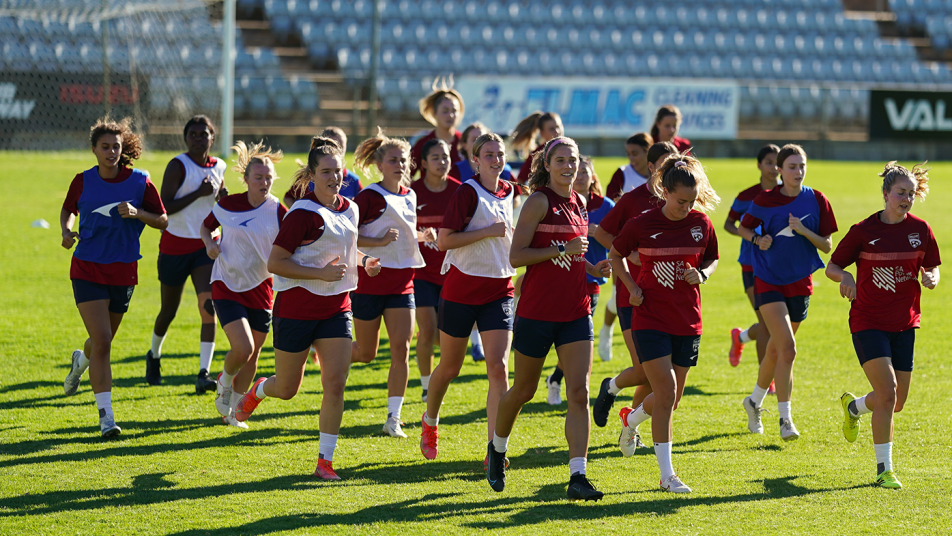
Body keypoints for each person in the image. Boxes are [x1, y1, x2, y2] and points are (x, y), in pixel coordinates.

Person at [233, 137, 382, 480]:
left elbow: (346, 249)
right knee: (287, 389)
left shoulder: (352, 208)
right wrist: (320, 273)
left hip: (337, 309)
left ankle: (324, 462)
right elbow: (276, 262)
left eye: (337, 171)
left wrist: (365, 260)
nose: (334, 177)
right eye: (326, 172)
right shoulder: (302, 213)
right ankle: (258, 390)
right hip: (296, 310)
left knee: (335, 382)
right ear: (312, 176)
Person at [486, 136, 612, 501]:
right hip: (537, 313)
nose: (568, 166)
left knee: (579, 391)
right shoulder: (538, 202)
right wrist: (562, 248)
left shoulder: (580, 202)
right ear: (547, 163)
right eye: (560, 160)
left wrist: (591, 265)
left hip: (576, 310)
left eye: (572, 160)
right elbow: (517, 257)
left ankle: (578, 476)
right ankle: (497, 449)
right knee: (523, 390)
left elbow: (572, 255)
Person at [609, 152, 720, 493]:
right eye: (680, 201)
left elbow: (714, 258)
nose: (686, 208)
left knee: (672, 399)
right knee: (666, 390)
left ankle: (631, 419)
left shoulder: (702, 224)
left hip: (687, 320)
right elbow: (614, 254)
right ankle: (666, 475)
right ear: (664, 191)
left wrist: (702, 273)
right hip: (650, 318)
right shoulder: (642, 223)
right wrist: (631, 287)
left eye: (691, 202)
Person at [825, 162, 940, 489]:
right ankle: (883, 470)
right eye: (900, 193)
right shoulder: (864, 230)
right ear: (886, 193)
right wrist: (846, 276)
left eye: (911, 194)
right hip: (868, 321)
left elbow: (932, 267)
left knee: (896, 402)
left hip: (905, 323)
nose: (906, 199)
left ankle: (854, 406)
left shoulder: (922, 230)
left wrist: (932, 276)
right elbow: (832, 266)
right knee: (888, 393)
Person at [62, 117, 168, 437]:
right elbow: (69, 209)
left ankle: (80, 361)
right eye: (104, 147)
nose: (110, 152)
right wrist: (66, 231)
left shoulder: (140, 181)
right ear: (94, 149)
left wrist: (138, 214)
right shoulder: (82, 180)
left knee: (100, 341)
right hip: (87, 268)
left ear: (123, 150)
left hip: (123, 271)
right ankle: (106, 417)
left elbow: (162, 220)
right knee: (105, 340)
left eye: (116, 147)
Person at [419, 133, 516, 465]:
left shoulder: (512, 190)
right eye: (488, 154)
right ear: (475, 160)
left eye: (499, 154)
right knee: (449, 367)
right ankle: (430, 421)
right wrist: (487, 231)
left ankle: (495, 448)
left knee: (499, 368)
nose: (495, 159)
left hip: (500, 290)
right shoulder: (467, 191)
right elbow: (445, 241)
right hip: (462, 291)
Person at [737, 144, 837, 441]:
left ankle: (753, 402)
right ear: (779, 171)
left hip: (800, 282)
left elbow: (827, 245)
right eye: (792, 167)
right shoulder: (765, 200)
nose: (798, 172)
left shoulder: (817, 199)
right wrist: (758, 240)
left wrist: (805, 231)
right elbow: (744, 228)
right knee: (788, 349)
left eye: (802, 166)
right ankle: (785, 419)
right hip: (767, 279)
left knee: (775, 349)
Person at [590, 142, 677, 443]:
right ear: (651, 168)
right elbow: (602, 233)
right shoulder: (632, 199)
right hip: (634, 294)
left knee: (660, 379)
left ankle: (632, 424)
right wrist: (628, 254)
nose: (672, 170)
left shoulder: (682, 199)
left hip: (671, 299)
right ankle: (611, 388)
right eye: (665, 165)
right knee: (644, 370)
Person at [202, 141, 287, 428]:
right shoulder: (227, 205)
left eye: (268, 177)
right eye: (258, 177)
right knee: (243, 348)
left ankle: (232, 412)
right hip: (226, 282)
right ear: (247, 179)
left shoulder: (279, 211)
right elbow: (207, 226)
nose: (264, 182)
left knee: (253, 357)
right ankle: (224, 381)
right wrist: (209, 245)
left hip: (261, 288)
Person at [350, 129, 427, 438]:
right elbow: (346, 233)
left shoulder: (411, 196)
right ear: (380, 164)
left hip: (402, 284)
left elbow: (405, 238)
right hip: (369, 285)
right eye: (393, 160)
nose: (400, 164)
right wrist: (377, 241)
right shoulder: (369, 196)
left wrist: (424, 237)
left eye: (404, 160)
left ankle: (393, 418)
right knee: (367, 353)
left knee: (401, 349)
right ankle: (330, 351)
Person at [146, 115, 227, 393]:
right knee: (168, 311)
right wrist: (199, 193)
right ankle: (154, 355)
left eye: (203, 134)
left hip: (205, 246)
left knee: (208, 307)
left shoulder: (220, 166)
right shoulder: (178, 165)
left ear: (212, 138)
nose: (197, 138)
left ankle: (204, 372)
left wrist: (221, 198)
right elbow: (164, 206)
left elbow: (219, 202)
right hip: (174, 245)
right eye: (192, 134)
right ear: (185, 138)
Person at [544, 155, 614, 406]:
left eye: (586, 172)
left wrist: (600, 234)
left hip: (590, 281)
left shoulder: (606, 205)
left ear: (593, 176)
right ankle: (557, 379)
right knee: (560, 336)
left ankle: (559, 380)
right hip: (561, 278)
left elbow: (620, 243)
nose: (582, 176)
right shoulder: (560, 203)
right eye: (579, 171)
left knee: (578, 337)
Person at [410, 138, 461, 402]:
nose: (442, 162)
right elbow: (403, 231)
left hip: (452, 272)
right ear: (423, 163)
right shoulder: (411, 191)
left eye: (446, 157)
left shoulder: (460, 191)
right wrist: (421, 235)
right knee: (427, 330)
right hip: (420, 273)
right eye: (436, 158)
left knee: (444, 337)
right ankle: (427, 386)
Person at [724, 145, 780, 377]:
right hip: (751, 264)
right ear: (758, 165)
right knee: (768, 324)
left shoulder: (787, 194)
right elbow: (729, 223)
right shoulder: (746, 196)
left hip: (779, 266)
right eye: (769, 162)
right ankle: (765, 380)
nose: (774, 167)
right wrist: (751, 237)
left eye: (778, 163)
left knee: (776, 325)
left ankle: (741, 337)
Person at [283, 127, 362, 204]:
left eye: (341, 147)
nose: (337, 151)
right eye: (332, 146)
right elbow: (288, 198)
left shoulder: (354, 180)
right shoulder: (308, 177)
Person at [410, 77, 463, 180]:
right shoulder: (423, 144)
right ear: (435, 113)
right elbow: (405, 176)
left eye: (454, 111)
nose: (450, 115)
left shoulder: (466, 142)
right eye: (445, 110)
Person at [510, 111, 563, 187]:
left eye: (558, 127)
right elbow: (520, 181)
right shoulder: (537, 154)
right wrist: (535, 195)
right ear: (542, 133)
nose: (557, 131)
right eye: (551, 129)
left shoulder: (571, 148)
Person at [450, 122, 514, 182]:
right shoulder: (456, 170)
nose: (479, 143)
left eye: (483, 139)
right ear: (464, 145)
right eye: (474, 140)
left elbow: (517, 192)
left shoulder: (503, 170)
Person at [605, 133, 653, 201]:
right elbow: (609, 204)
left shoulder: (660, 175)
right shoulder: (621, 173)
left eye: (634, 154)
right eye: (628, 154)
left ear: (648, 151)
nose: (631, 158)